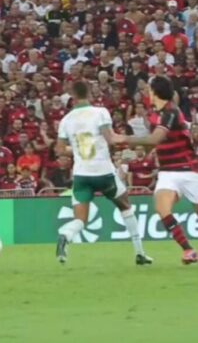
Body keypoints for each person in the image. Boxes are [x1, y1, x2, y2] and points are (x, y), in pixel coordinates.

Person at [55, 81, 152, 265]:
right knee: (125, 205)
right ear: (90, 93)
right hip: (103, 171)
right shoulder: (100, 112)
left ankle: (65, 234)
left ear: (72, 97)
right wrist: (137, 139)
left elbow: (60, 150)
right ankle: (139, 252)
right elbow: (111, 139)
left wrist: (77, 148)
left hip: (81, 174)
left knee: (80, 219)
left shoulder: (66, 120)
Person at [113, 76, 198, 264]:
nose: (147, 92)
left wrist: (122, 139)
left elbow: (155, 138)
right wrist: (147, 154)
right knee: (161, 208)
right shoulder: (157, 113)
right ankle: (188, 250)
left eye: (149, 89)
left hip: (189, 170)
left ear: (156, 91)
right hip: (168, 172)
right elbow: (156, 143)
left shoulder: (171, 111)